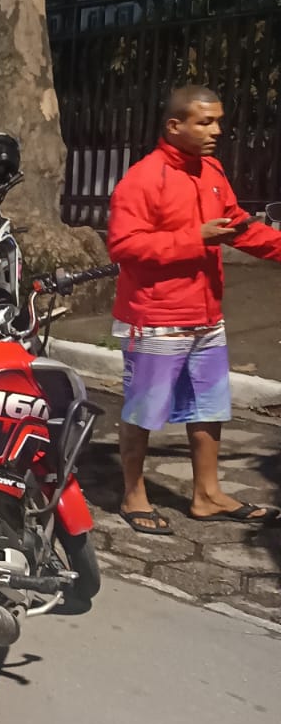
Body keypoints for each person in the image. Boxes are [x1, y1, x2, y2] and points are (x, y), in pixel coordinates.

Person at [107, 83, 281, 532]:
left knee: (209, 407)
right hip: (154, 320)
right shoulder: (143, 178)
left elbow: (239, 228)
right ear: (174, 124)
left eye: (219, 120)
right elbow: (123, 246)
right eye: (206, 121)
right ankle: (133, 494)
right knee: (143, 412)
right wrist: (194, 238)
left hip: (206, 318)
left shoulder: (212, 172)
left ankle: (206, 495)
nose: (217, 130)